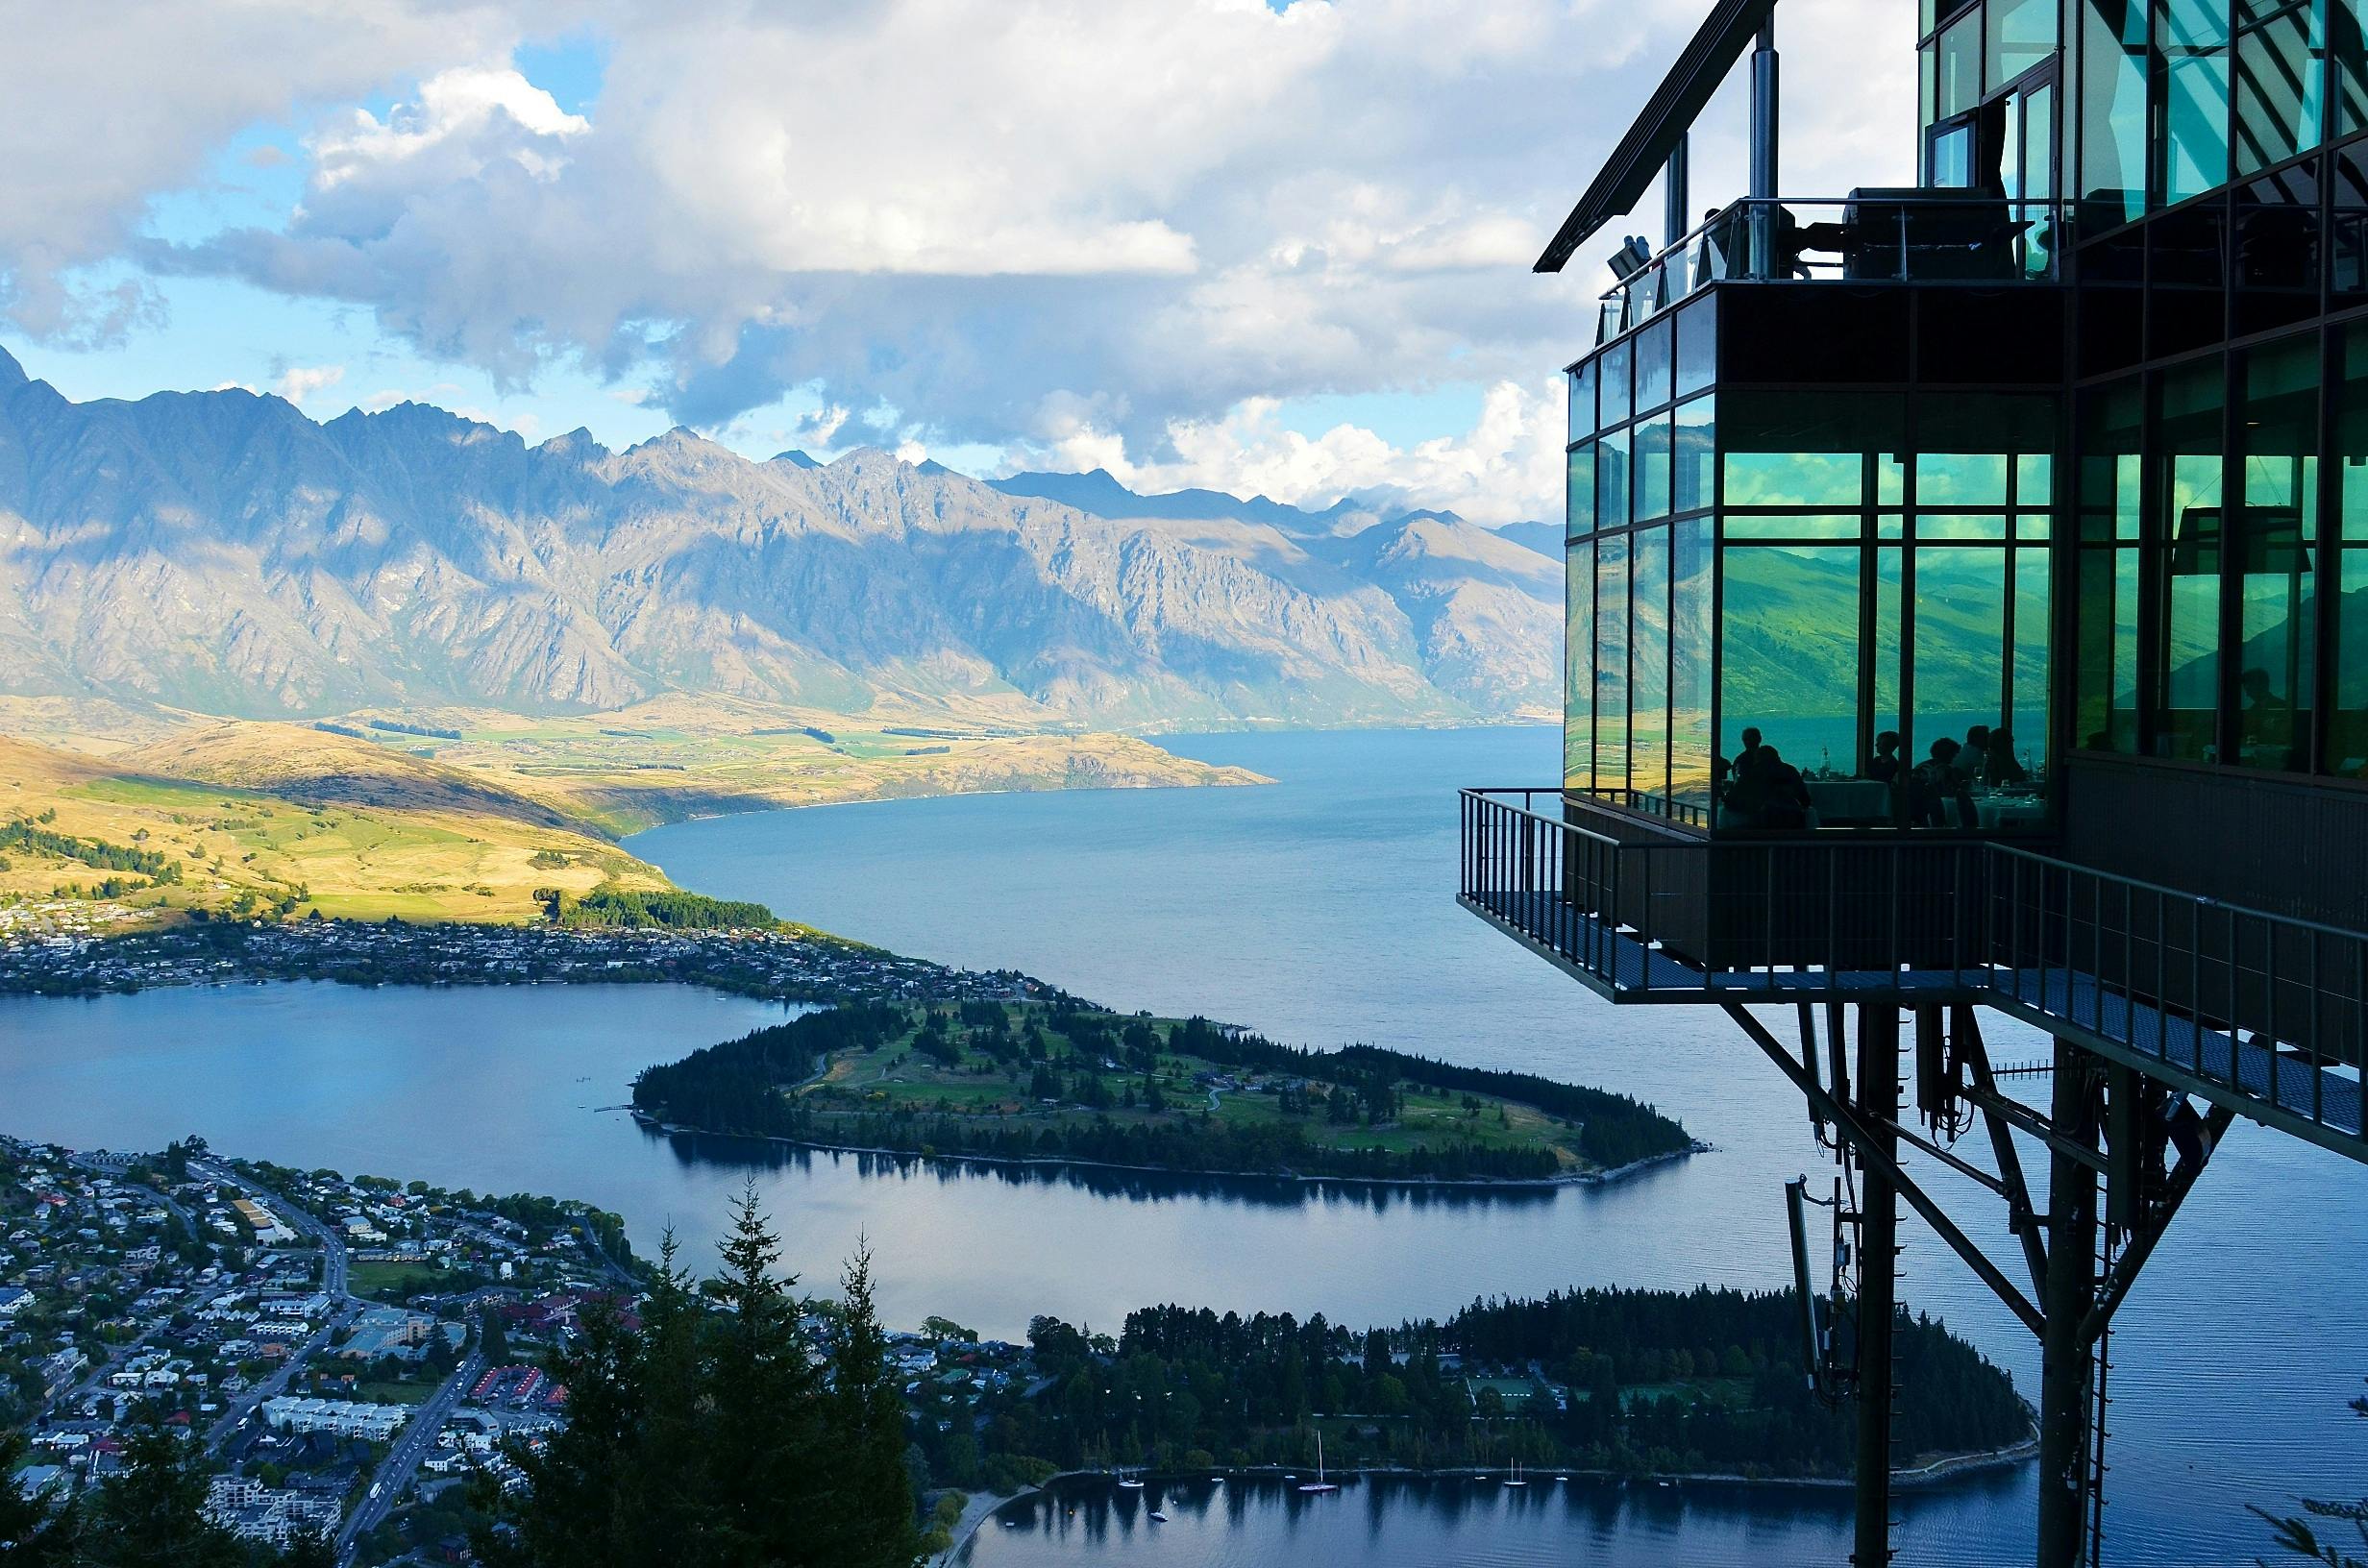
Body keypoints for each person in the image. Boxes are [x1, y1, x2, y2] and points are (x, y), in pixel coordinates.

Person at [1909, 737, 1973, 827]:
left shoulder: (1919, 768)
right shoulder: (1951, 771)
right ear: (1952, 754)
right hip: (1938, 813)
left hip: (1915, 812)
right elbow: (1958, 792)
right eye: (1956, 753)